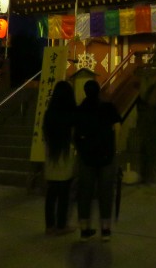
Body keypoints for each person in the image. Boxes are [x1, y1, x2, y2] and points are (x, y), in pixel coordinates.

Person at [74, 80, 121, 242]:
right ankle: (106, 229)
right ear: (99, 91)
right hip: (106, 156)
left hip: (86, 157)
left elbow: (75, 134)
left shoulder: (80, 110)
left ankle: (84, 229)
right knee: (106, 193)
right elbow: (117, 128)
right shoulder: (108, 108)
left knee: (85, 193)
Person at [42, 80, 77, 236]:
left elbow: (45, 134)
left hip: (51, 155)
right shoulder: (71, 113)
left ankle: (49, 226)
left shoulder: (49, 113)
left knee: (51, 194)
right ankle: (61, 225)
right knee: (64, 194)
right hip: (65, 156)